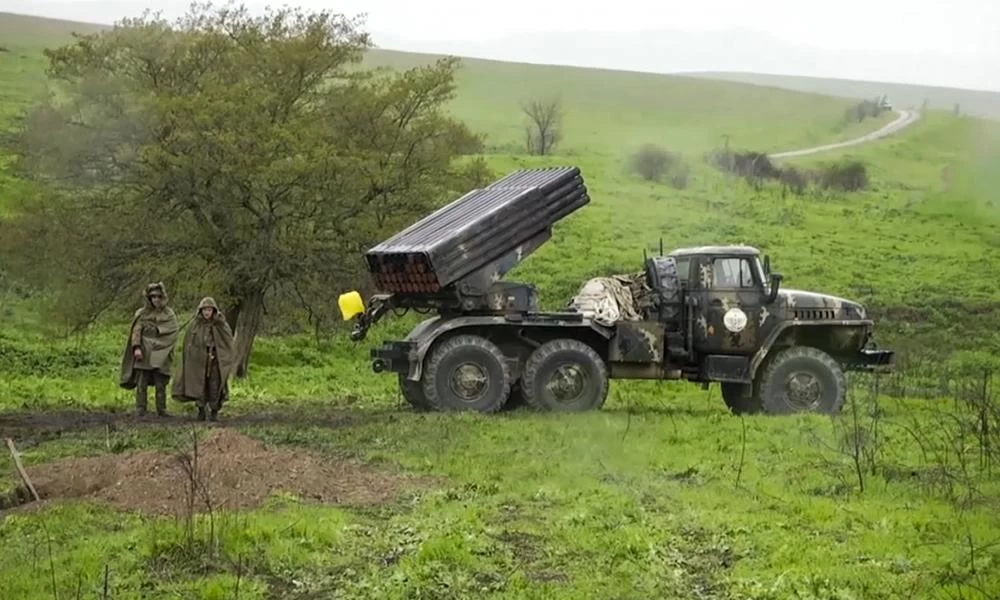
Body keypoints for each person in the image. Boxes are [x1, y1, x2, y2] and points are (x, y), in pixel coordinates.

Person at [119, 282, 180, 417]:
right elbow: (136, 331)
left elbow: (173, 332)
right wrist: (136, 348)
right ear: (149, 298)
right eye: (153, 297)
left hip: (161, 354)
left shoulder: (169, 314)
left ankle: (161, 409)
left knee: (161, 383)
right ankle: (141, 409)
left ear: (163, 297)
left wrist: (165, 349)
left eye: (158, 296)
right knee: (142, 383)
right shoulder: (142, 313)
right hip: (144, 352)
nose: (156, 299)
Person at [172, 297, 236, 421]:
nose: (207, 312)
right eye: (205, 310)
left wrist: (221, 356)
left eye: (209, 309)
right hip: (198, 362)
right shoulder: (195, 325)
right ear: (201, 310)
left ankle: (214, 413)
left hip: (215, 362)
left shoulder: (220, 324)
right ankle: (201, 411)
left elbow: (227, 343)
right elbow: (188, 345)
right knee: (199, 386)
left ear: (214, 310)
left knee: (214, 386)